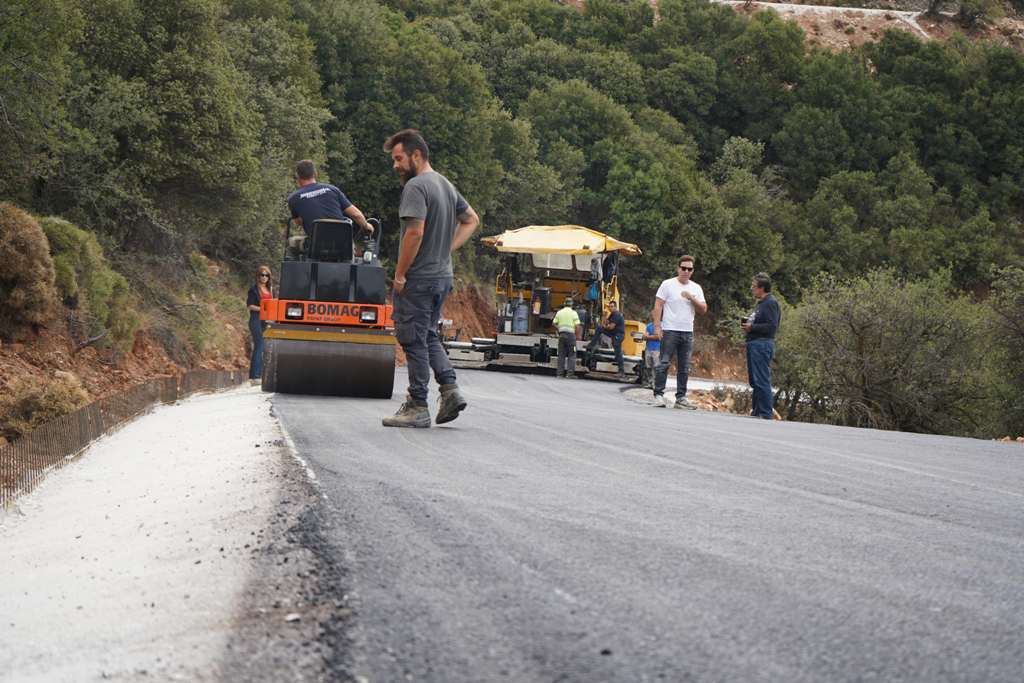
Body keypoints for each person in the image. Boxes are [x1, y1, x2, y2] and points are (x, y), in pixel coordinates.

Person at [381, 129, 480, 428]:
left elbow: (415, 231)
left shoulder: (416, 186)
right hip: (442, 276)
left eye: (399, 159)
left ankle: (418, 405)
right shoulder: (446, 185)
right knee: (427, 335)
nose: (395, 165)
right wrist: (445, 248)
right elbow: (472, 219)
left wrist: (399, 274)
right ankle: (450, 390)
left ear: (416, 155)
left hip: (419, 279)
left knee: (412, 338)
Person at [652, 255, 707, 409]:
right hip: (670, 330)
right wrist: (657, 326)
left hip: (687, 331)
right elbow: (658, 305)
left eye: (689, 269)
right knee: (664, 363)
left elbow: (703, 309)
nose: (686, 271)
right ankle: (659, 395)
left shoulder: (696, 288)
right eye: (683, 268)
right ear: (678, 268)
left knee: (684, 366)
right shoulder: (667, 284)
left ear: (692, 271)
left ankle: (681, 398)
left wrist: (691, 298)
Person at [286, 159, 374, 247]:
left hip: (316, 246)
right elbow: (356, 215)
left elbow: (299, 222)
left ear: (298, 176)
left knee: (293, 243)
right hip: (343, 245)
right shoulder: (332, 189)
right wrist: (366, 226)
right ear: (315, 173)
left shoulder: (293, 198)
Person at [741, 272, 781, 419]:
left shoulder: (771, 303)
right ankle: (757, 411)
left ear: (762, 288)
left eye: (754, 286)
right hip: (754, 344)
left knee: (762, 379)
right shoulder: (762, 303)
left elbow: (772, 326)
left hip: (762, 344)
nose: (752, 289)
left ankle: (765, 413)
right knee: (755, 380)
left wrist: (753, 328)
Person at [246, 265, 273, 383]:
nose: (264, 277)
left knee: (264, 347)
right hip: (256, 318)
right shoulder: (253, 290)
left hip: (266, 320)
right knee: (259, 344)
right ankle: (254, 376)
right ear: (258, 276)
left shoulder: (270, 289)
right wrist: (263, 309)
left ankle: (259, 375)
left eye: (266, 275)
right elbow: (250, 306)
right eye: (262, 274)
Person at [587, 300, 626, 379]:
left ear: (615, 307)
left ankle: (621, 372)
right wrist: (604, 316)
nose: (610, 308)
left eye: (612, 307)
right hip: (613, 333)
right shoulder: (612, 314)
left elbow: (611, 326)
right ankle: (592, 344)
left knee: (618, 352)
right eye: (609, 307)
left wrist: (605, 326)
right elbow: (605, 323)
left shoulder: (617, 314)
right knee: (599, 328)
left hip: (618, 335)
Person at [553, 297, 582, 378]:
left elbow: (554, 323)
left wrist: (559, 328)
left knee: (561, 355)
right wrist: (578, 336)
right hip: (571, 336)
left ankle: (559, 374)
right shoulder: (574, 313)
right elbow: (577, 326)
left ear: (564, 304)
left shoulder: (559, 312)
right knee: (572, 354)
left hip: (561, 335)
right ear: (572, 304)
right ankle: (570, 374)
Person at [641, 320, 661, 389]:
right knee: (648, 367)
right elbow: (644, 336)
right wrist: (645, 336)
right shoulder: (649, 325)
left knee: (656, 367)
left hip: (657, 349)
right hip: (648, 348)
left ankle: (655, 384)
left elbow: (659, 337)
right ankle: (650, 382)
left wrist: (648, 337)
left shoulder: (661, 325)